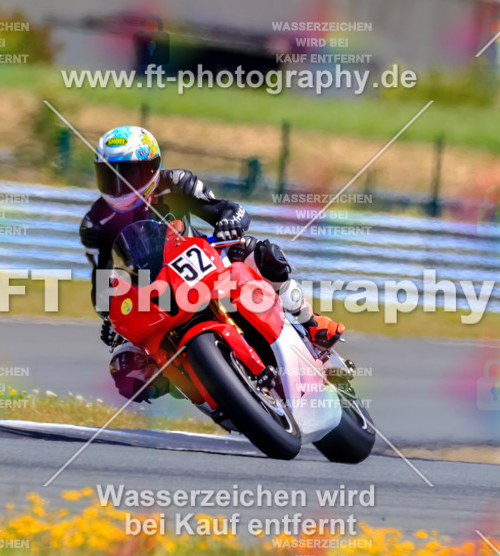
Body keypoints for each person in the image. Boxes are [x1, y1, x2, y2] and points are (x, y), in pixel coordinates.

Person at [79, 125, 345, 402]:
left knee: (260, 252)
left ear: (152, 167)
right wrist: (109, 316)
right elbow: (102, 278)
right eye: (111, 176)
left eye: (129, 174)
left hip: (200, 261)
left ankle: (310, 322)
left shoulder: (177, 183)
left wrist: (229, 223)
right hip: (151, 292)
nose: (121, 186)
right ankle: (193, 383)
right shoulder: (96, 223)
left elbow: (229, 209)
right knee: (125, 370)